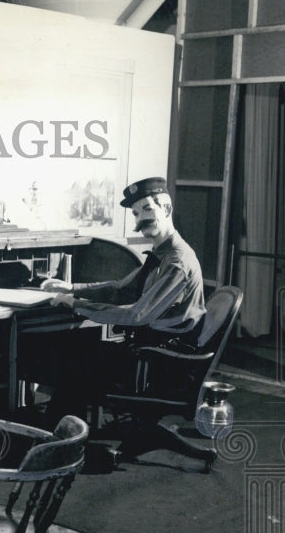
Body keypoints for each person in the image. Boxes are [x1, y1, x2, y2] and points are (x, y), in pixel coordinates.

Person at [38, 176, 207, 422]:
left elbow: (136, 315)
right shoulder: (162, 253)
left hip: (160, 363)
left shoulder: (177, 261)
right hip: (150, 352)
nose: (141, 219)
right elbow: (119, 289)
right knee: (75, 352)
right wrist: (72, 288)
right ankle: (66, 433)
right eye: (136, 214)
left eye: (147, 209)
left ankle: (60, 440)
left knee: (76, 362)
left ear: (167, 208)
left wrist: (76, 304)